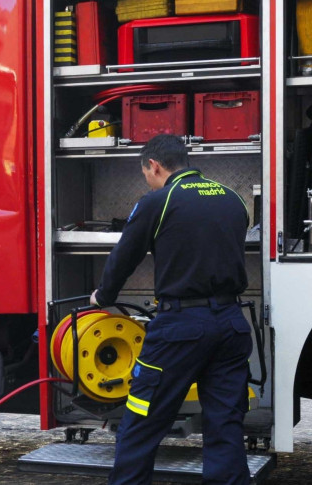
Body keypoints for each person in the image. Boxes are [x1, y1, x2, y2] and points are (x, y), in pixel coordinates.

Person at [91, 134, 254, 484]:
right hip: (231, 324)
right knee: (225, 424)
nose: (147, 180)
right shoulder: (232, 199)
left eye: (146, 173)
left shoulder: (158, 201)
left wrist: (102, 297)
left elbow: (125, 257)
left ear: (154, 165)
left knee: (140, 422)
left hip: (181, 328)